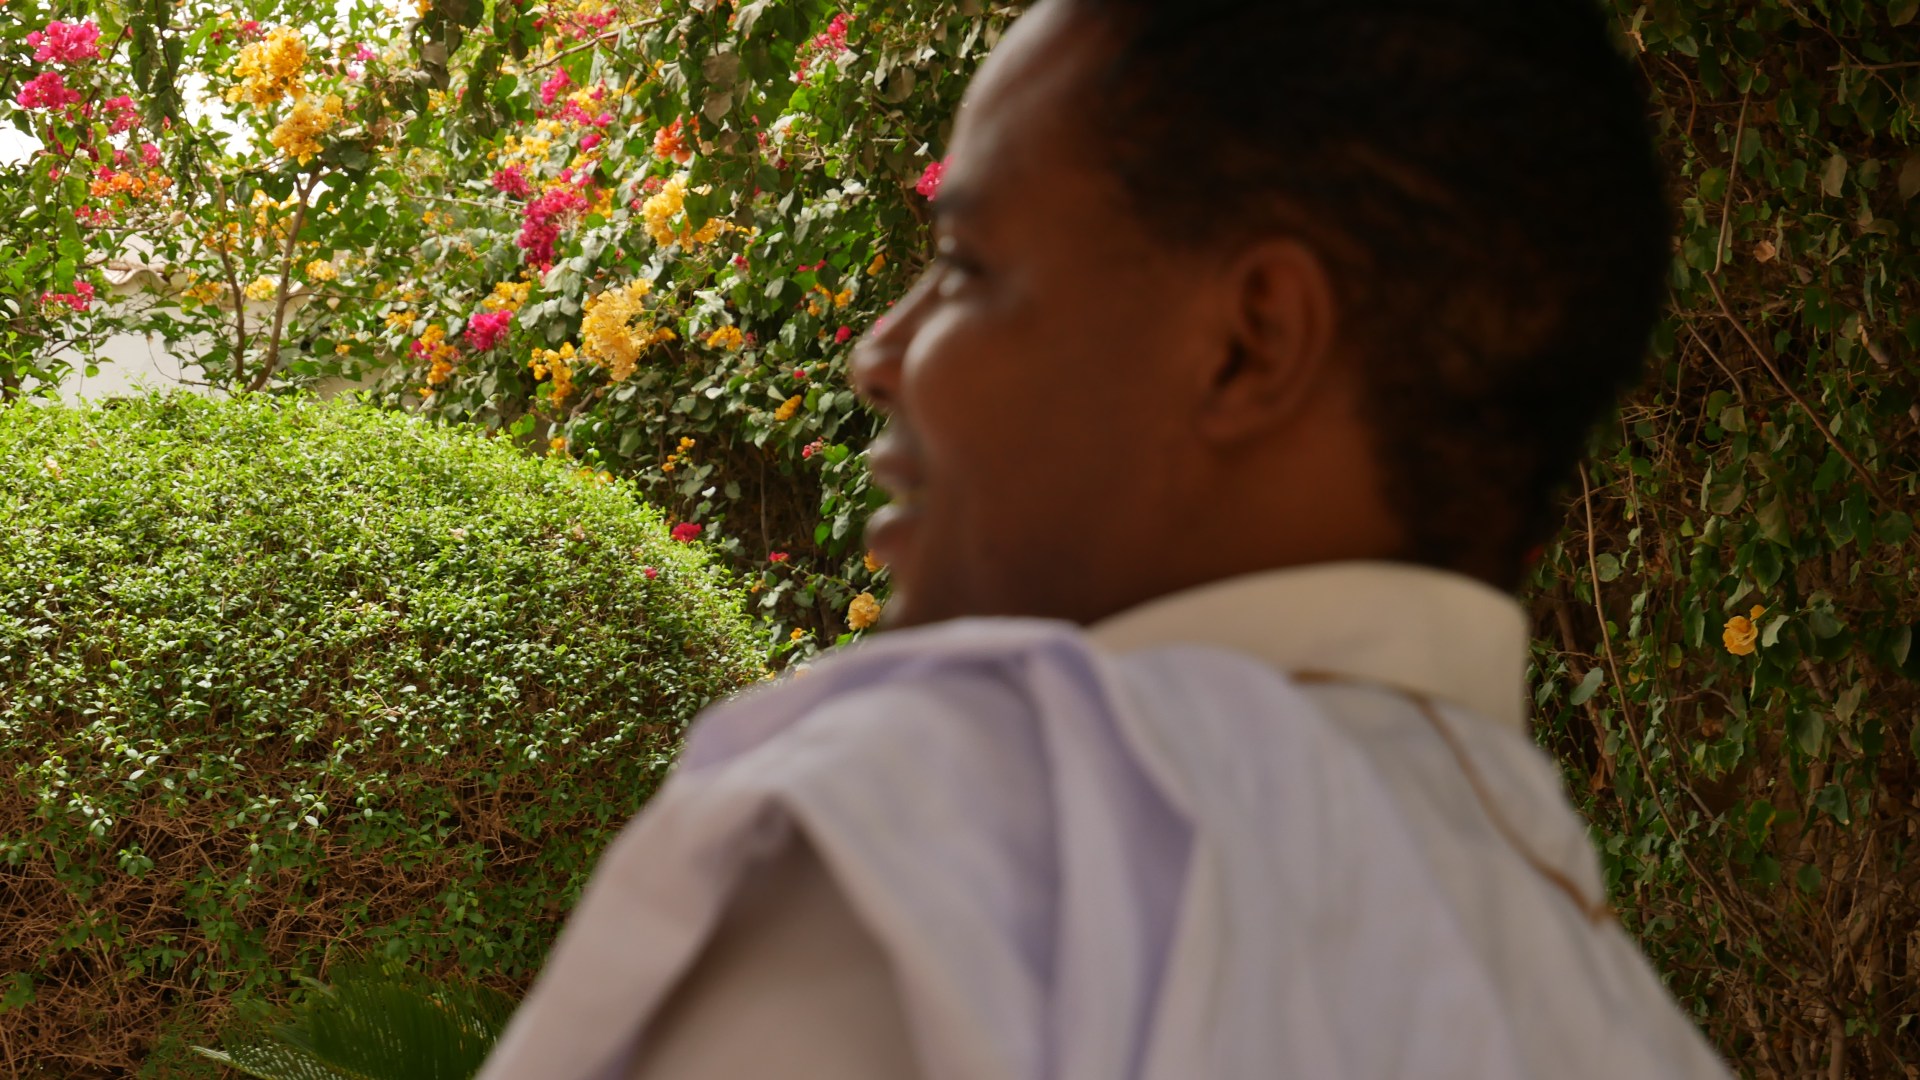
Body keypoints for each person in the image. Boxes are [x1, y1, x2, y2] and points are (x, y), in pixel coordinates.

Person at [479, 0, 1736, 1076]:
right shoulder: (1615, 1017)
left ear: (1249, 343)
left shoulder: (950, 857)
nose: (879, 354)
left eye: (967, 264)